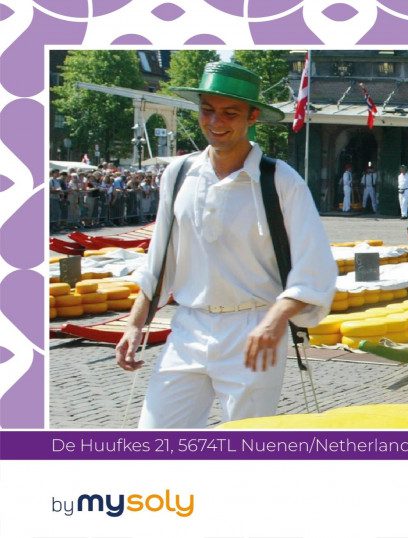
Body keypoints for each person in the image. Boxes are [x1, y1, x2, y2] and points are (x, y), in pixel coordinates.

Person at [113, 61, 337, 429]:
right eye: (207, 111)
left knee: (244, 449)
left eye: (229, 113)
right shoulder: (179, 173)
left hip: (253, 329)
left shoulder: (281, 181)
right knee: (156, 437)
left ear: (252, 116)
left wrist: (274, 322)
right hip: (187, 326)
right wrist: (136, 324)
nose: (216, 122)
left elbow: (315, 267)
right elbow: (160, 261)